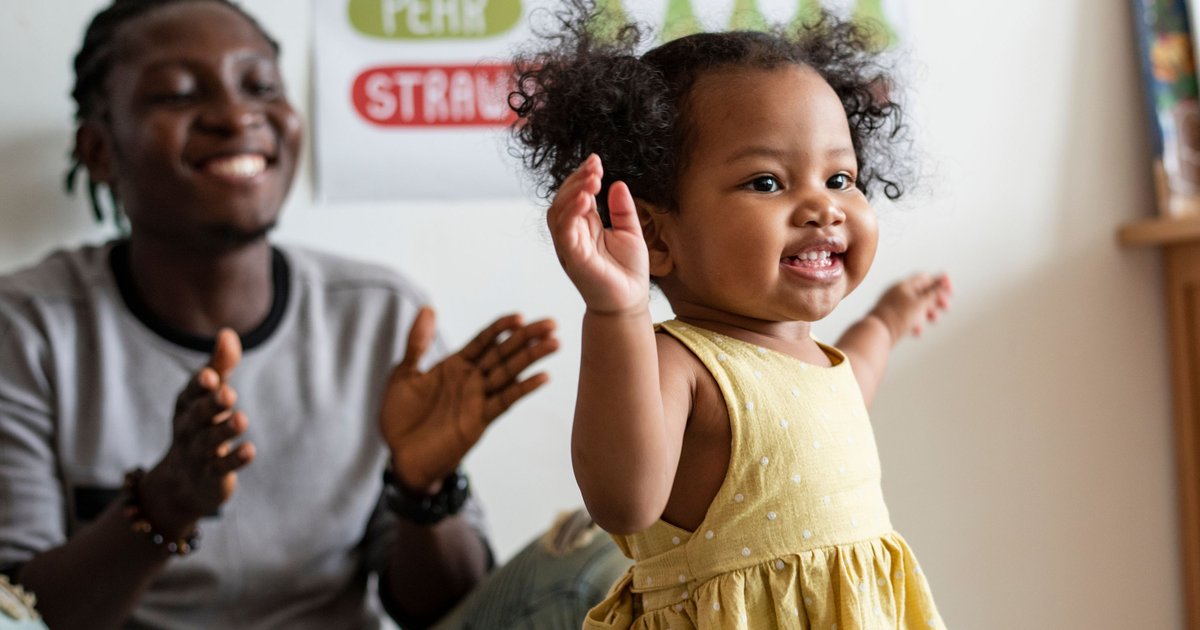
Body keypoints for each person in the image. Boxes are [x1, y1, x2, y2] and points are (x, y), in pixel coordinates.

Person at [0, 1, 627, 628]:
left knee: (599, 556)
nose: (235, 114)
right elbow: (21, 611)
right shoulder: (28, 326)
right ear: (100, 151)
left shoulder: (381, 317)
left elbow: (446, 610)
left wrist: (421, 492)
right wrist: (160, 506)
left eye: (260, 87)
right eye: (177, 94)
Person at [509, 3, 952, 628]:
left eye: (840, 177)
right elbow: (625, 500)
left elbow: (852, 383)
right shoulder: (682, 363)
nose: (823, 209)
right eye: (767, 183)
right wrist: (618, 311)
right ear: (658, 237)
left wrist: (889, 319)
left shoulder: (813, 359)